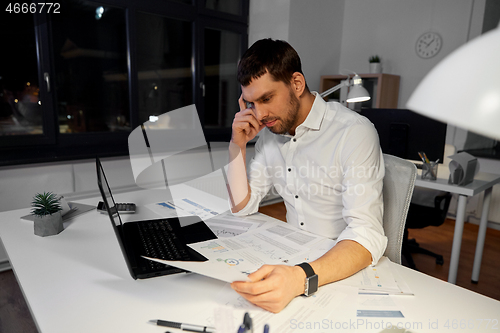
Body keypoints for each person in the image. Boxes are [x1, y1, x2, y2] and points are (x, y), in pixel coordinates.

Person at [227, 38, 387, 313]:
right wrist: (236, 146)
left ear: (297, 84)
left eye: (267, 98)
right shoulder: (270, 137)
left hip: (339, 268)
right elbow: (243, 207)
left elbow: (366, 234)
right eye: (252, 103)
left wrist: (300, 278)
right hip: (293, 259)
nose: (260, 114)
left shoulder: (353, 132)